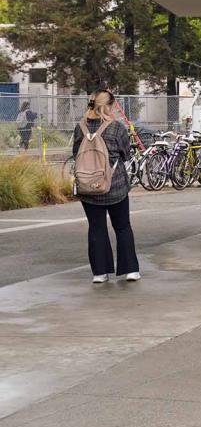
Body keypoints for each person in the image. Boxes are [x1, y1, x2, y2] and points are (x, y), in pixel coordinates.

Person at [72, 90, 139, 283]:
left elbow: (76, 153)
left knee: (96, 228)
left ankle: (100, 273)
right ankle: (130, 270)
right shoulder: (116, 127)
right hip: (114, 185)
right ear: (108, 106)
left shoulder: (80, 127)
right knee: (122, 226)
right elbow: (126, 154)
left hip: (87, 187)